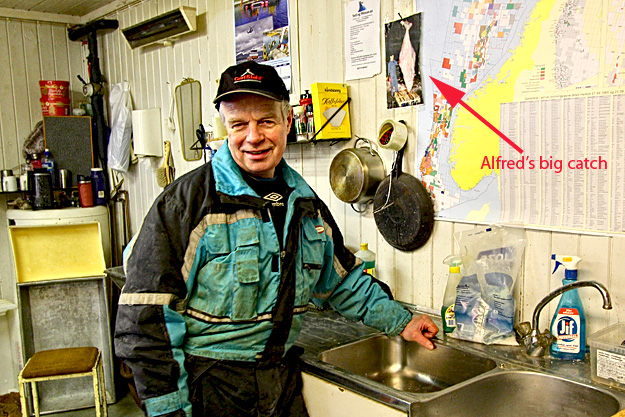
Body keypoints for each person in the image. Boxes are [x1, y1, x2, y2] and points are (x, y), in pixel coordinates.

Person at [114, 61, 438, 417]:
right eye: (239, 124)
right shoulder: (186, 204)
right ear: (226, 127)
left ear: (287, 123)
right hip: (208, 386)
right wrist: (169, 412)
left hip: (279, 381)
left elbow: (341, 282)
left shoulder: (305, 204)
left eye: (266, 121)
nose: (253, 137)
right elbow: (145, 321)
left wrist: (401, 320)